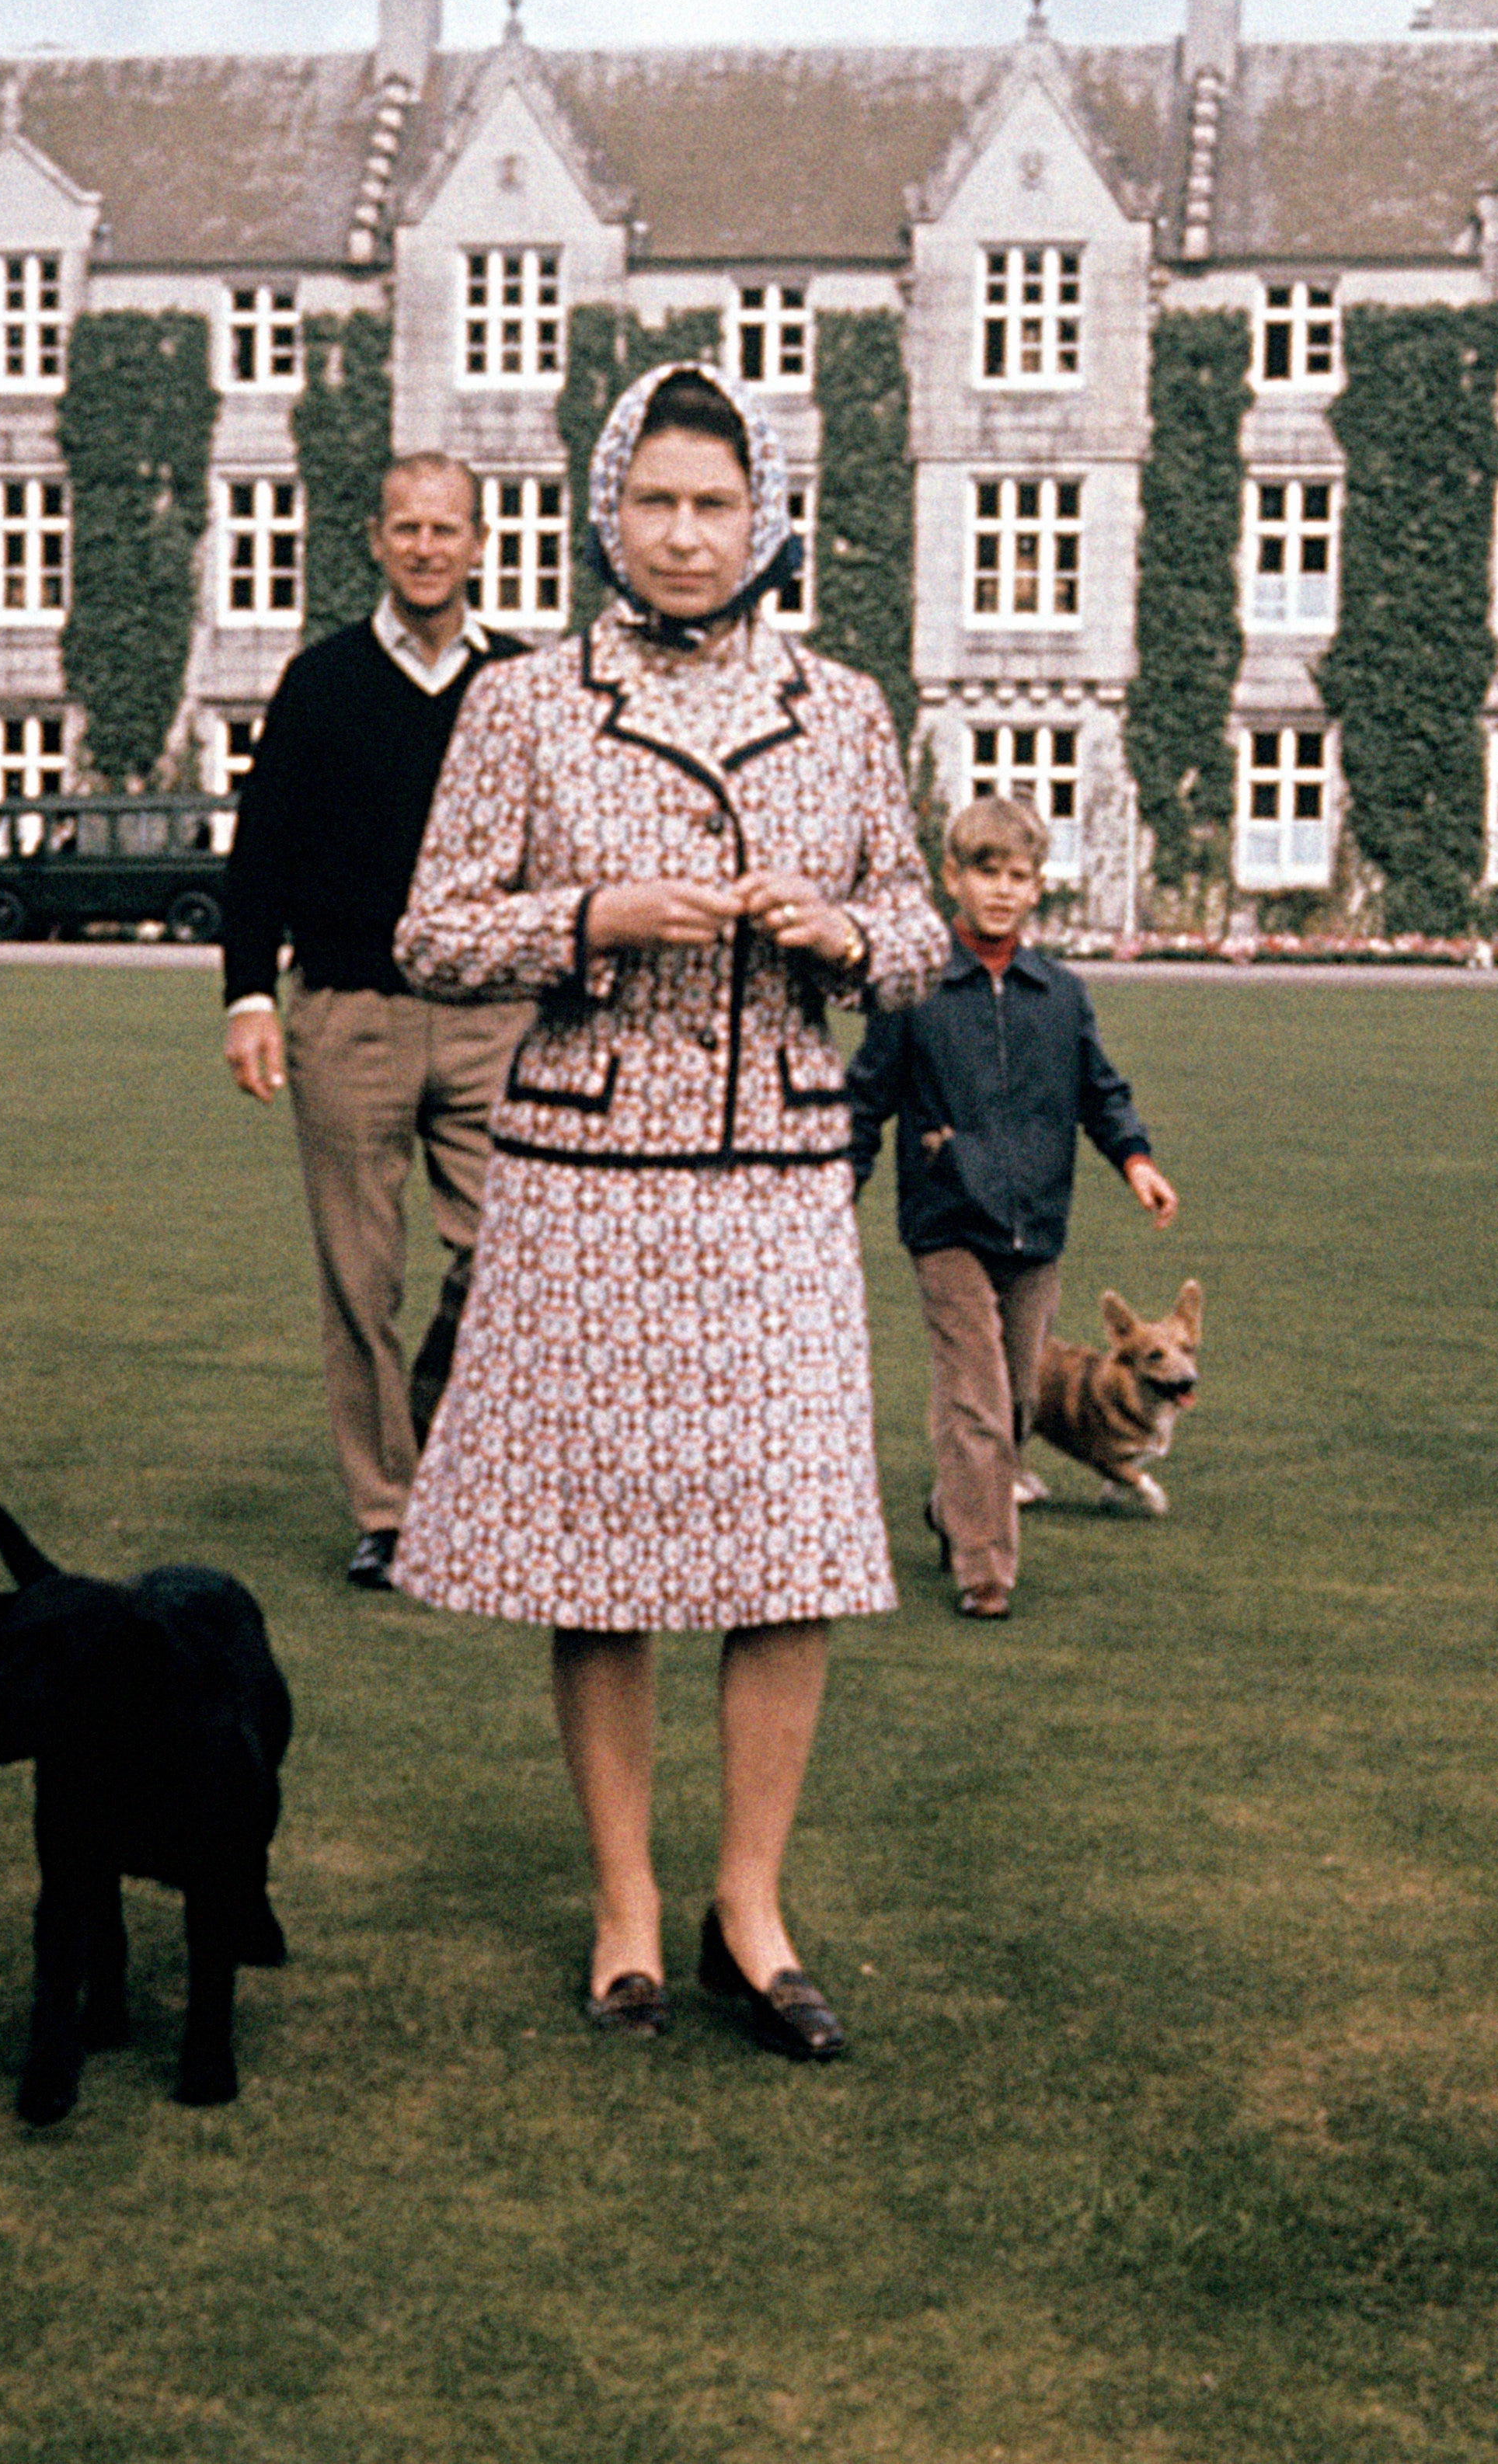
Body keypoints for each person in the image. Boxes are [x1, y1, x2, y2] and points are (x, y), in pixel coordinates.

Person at [390, 362, 949, 2061]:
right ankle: (627, 1900)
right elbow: (428, 931)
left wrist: (847, 937)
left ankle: (749, 1905)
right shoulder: (522, 703)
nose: (686, 536)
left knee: (792, 1549)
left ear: (764, 515)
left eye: (716, 504)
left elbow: (921, 924)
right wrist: (592, 913)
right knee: (603, 1552)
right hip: (585, 1176)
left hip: (776, 1179)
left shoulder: (846, 705)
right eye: (656, 501)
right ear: (604, 511)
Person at [221, 456, 531, 1589]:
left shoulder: (524, 686)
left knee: (505, 1251)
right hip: (349, 1013)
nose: (426, 547)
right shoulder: (320, 680)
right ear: (376, 539)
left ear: (480, 542)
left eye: (446, 528)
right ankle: (390, 1510)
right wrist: (248, 993)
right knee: (360, 1275)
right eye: (406, 527)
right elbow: (259, 851)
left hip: (491, 1013)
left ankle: (434, 1446)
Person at [845, 794, 1177, 1622]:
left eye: (1017, 875)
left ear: (1037, 887)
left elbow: (1100, 1090)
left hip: (1036, 1225)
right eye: (984, 871)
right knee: (978, 1400)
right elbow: (865, 1101)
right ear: (951, 877)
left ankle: (955, 1504)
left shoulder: (1058, 994)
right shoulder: (914, 992)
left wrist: (1135, 1158)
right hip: (947, 1222)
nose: (1000, 889)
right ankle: (983, 1567)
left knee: (1021, 1401)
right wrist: (832, 1191)